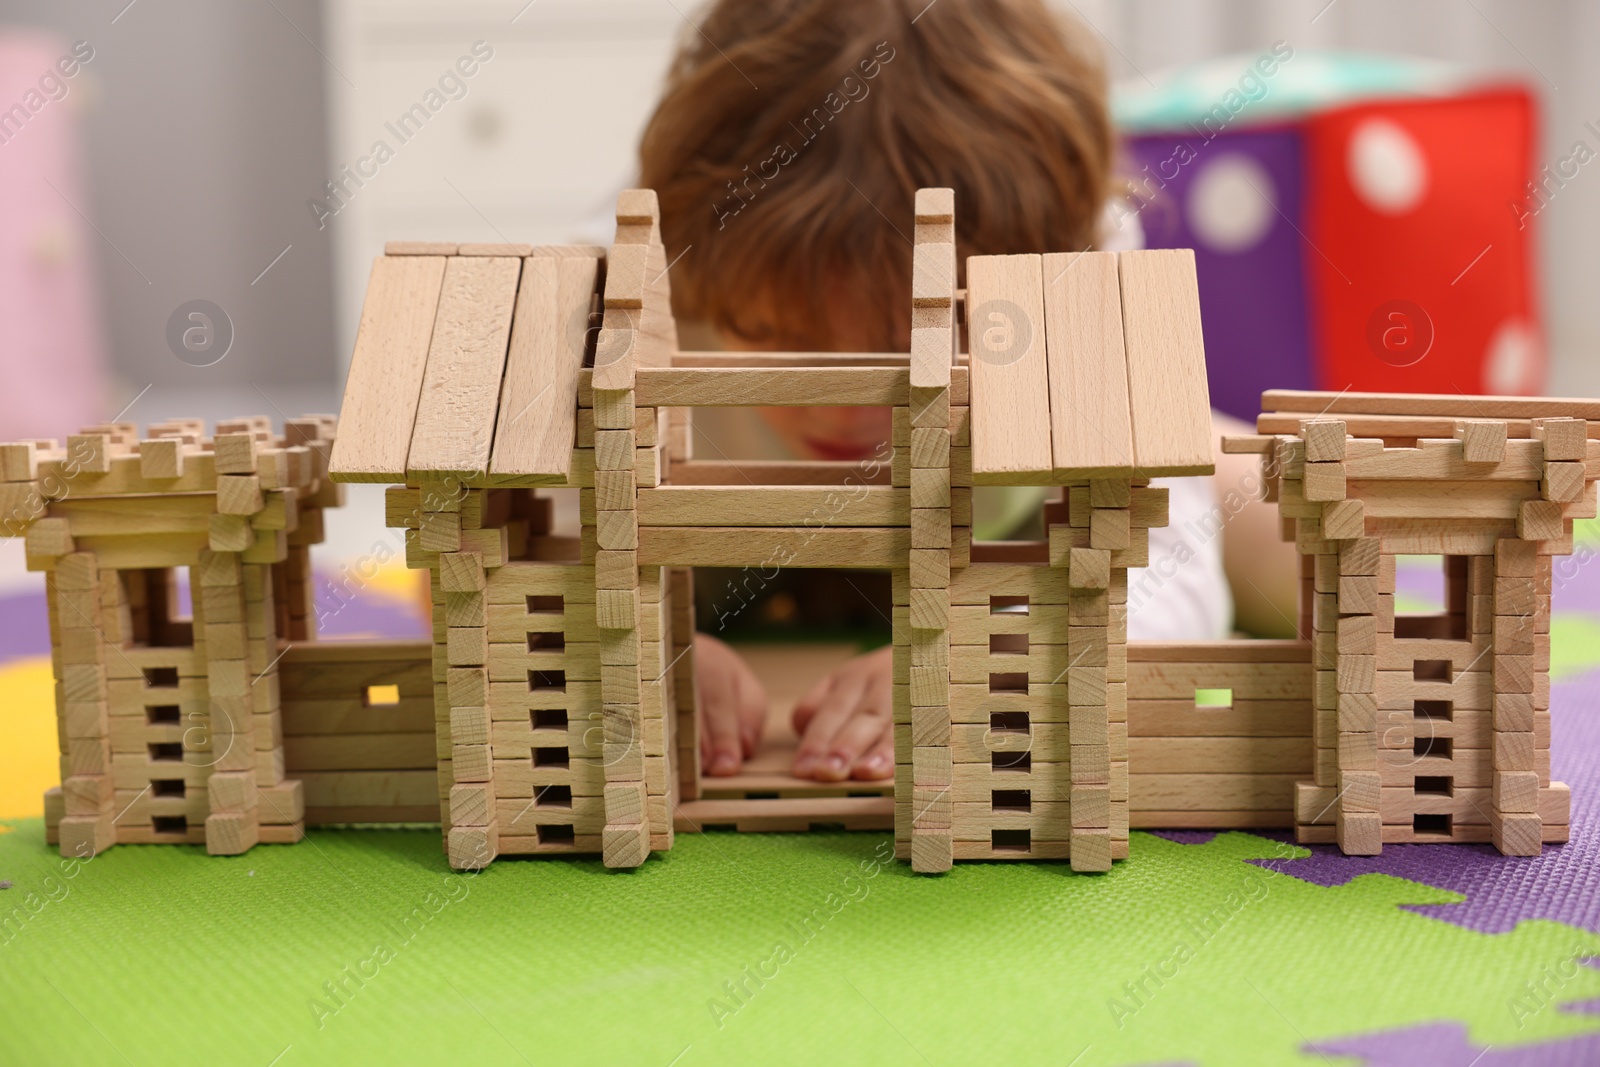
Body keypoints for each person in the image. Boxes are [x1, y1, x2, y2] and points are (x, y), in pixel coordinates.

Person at [635, 0, 1295, 783]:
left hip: (1002, 535)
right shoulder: (666, 260)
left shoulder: (1077, 266)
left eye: (909, 344)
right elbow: (571, 542)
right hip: (748, 563)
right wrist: (656, 641)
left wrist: (1002, 647)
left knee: (1250, 497)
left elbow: (1166, 578)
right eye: (778, 333)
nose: (841, 411)